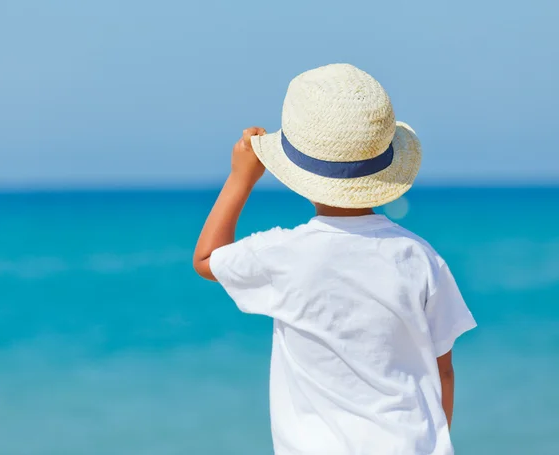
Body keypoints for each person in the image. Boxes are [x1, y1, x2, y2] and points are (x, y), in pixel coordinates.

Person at [193, 63, 476, 455]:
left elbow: (208, 258)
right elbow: (442, 369)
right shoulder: (420, 257)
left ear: (296, 170)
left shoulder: (284, 254)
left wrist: (241, 176)